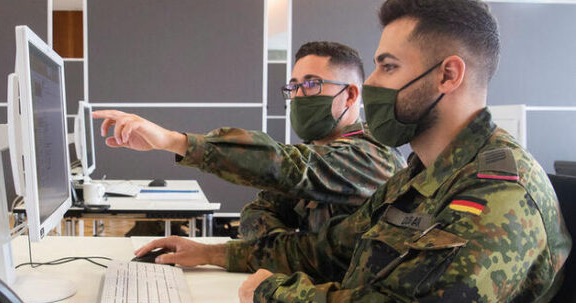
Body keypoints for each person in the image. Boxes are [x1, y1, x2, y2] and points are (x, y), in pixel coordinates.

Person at [103, 0, 572, 303]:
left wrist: (269, 293)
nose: (373, 84)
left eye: (388, 66)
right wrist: (216, 254)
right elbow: (328, 249)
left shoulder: (499, 194)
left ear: (447, 74)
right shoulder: (420, 175)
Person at [95, 41, 405, 240]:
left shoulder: (371, 155)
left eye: (312, 84)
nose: (299, 95)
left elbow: (285, 165)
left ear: (350, 95)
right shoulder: (317, 150)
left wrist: (172, 140)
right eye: (294, 86)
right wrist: (292, 251)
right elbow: (257, 213)